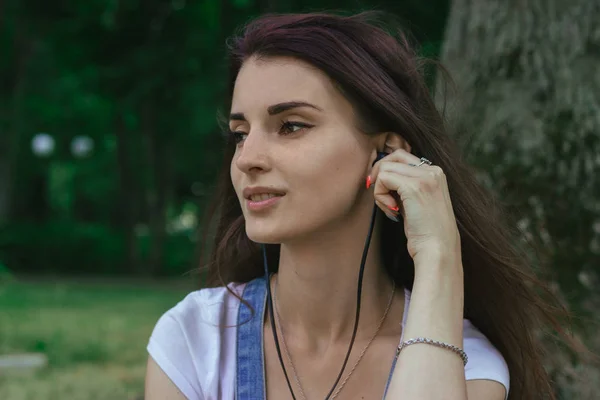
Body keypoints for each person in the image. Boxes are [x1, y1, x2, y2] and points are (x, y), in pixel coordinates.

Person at [145, 11, 576, 400]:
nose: (247, 158)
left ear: (387, 153)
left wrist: (439, 254)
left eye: (290, 126)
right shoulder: (197, 338)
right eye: (241, 132)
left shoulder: (462, 365)